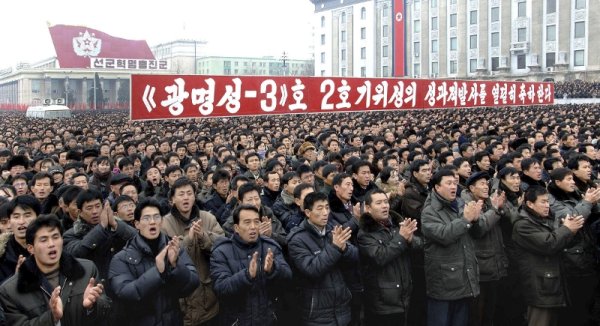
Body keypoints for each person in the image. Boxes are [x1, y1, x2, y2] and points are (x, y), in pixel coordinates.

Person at [0, 215, 110, 325]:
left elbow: (106, 309)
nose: (51, 244)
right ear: (31, 248)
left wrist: (92, 306)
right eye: (44, 240)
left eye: (55, 237)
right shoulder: (10, 290)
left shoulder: (87, 270)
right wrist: (52, 318)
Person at [109, 198, 200, 326]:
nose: (152, 222)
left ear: (161, 221)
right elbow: (126, 293)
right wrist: (158, 272)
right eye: (146, 218)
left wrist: (175, 266)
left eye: (156, 217)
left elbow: (193, 283)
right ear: (137, 224)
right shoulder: (122, 258)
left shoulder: (174, 248)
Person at [421, 169, 486, 326]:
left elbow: (478, 233)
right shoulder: (429, 211)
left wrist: (476, 220)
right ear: (437, 187)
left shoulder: (460, 203)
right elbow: (444, 235)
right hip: (444, 280)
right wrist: (465, 220)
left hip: (463, 276)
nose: (453, 187)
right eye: (448, 183)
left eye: (455, 183)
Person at [513, 186, 583, 326]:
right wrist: (567, 229)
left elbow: (561, 242)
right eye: (543, 202)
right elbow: (549, 244)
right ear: (530, 204)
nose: (547, 206)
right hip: (539, 286)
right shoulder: (523, 225)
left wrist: (572, 231)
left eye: (548, 202)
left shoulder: (547, 220)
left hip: (553, 284)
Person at [210, 204, 291, 325]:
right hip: (236, 321)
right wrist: (246, 275)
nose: (253, 227)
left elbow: (288, 278)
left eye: (256, 222)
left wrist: (273, 269)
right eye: (247, 222)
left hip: (268, 319)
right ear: (236, 227)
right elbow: (220, 288)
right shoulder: (221, 251)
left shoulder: (270, 247)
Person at [287, 192, 358, 326]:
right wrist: (335, 247)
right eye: (320, 208)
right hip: (317, 312)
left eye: (327, 207)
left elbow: (356, 256)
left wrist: (344, 249)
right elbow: (312, 269)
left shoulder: (333, 229)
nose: (325, 212)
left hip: (342, 305)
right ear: (308, 212)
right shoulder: (297, 239)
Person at [161, 177, 224, 325]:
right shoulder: (164, 223)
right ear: (172, 199)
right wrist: (188, 239)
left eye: (189, 193)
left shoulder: (207, 218)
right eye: (181, 194)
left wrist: (203, 236)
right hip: (181, 300)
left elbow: (222, 245)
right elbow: (166, 255)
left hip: (208, 295)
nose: (186, 198)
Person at [357, 189, 419, 326]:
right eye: (379, 203)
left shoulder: (396, 224)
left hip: (404, 295)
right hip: (383, 301)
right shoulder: (365, 233)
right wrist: (401, 238)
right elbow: (380, 257)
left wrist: (410, 239)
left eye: (386, 202)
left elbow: (418, 246)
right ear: (368, 208)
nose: (385, 206)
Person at [547, 168, 600, 325]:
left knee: (590, 301)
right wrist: (587, 202)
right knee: (577, 306)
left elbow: (591, 215)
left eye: (572, 179)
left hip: (587, 253)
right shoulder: (551, 199)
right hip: (571, 258)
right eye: (568, 179)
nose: (572, 182)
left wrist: (594, 203)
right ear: (557, 182)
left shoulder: (575, 193)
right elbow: (572, 219)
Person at [63, 189, 137, 281]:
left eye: (98, 206)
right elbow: (77, 253)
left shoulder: (116, 227)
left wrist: (115, 224)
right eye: (89, 208)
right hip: (94, 285)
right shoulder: (71, 234)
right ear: (80, 212)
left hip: (123, 281)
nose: (95, 211)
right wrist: (101, 227)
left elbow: (139, 239)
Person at [0, 195, 40, 284]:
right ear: (10, 221)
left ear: (38, 217)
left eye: (27, 215)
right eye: (16, 216)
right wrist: (16, 279)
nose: (21, 221)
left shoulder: (51, 247)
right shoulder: (2, 254)